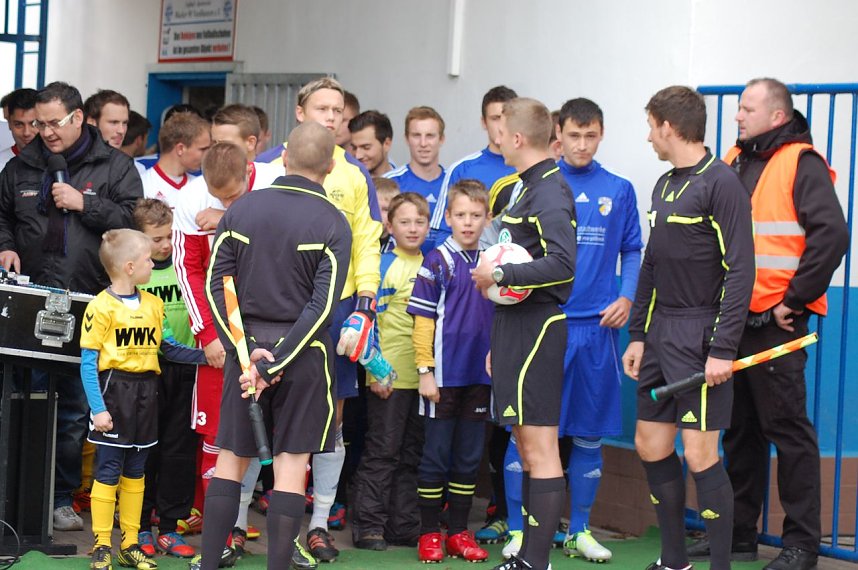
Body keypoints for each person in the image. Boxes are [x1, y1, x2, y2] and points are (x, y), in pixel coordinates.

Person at [687, 78, 850, 570]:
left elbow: (832, 235)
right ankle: (739, 535)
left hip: (776, 322)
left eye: (747, 108)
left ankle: (802, 545)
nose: (737, 115)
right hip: (735, 319)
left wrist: (793, 300)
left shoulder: (802, 163)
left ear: (777, 116)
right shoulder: (736, 159)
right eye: (738, 107)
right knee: (740, 431)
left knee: (787, 430)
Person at [192, 122, 351, 570]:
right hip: (303, 355)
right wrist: (276, 361)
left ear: (283, 159)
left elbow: (215, 285)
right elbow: (323, 306)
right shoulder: (334, 222)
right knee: (291, 466)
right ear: (331, 166)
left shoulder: (241, 210)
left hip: (246, 352)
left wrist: (246, 354)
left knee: (230, 460)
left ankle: (209, 563)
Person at [499, 98, 644, 562]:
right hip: (544, 326)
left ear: (601, 135)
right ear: (557, 135)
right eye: (574, 135)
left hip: (596, 329)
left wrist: (626, 296)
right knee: (524, 434)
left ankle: (578, 530)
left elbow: (633, 249)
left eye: (591, 135)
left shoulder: (618, 189)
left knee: (587, 432)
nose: (582, 145)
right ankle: (519, 531)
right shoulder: (532, 187)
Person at [621, 86, 756, 570]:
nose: (648, 137)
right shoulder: (663, 185)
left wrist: (722, 348)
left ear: (668, 127)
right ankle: (674, 560)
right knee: (650, 443)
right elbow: (652, 264)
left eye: (650, 127)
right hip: (660, 332)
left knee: (700, 454)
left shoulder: (722, 184)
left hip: (701, 334)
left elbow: (741, 271)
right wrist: (638, 334)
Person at [0, 81, 143, 531]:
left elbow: (133, 224)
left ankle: (60, 498)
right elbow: (2, 217)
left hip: (89, 304)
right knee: (21, 399)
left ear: (78, 117)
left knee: (74, 410)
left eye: (53, 123)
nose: (44, 132)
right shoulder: (20, 166)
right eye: (38, 123)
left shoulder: (116, 166)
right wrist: (5, 246)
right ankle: (13, 495)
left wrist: (87, 204)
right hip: (29, 302)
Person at [258, 77, 383, 562]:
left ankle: (318, 524)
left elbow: (368, 240)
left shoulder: (354, 173)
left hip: (338, 310)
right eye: (322, 109)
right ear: (300, 111)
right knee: (259, 414)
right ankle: (243, 521)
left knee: (332, 421)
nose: (331, 117)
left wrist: (366, 302)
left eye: (338, 111)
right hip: (276, 311)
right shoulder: (267, 167)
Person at [171, 105, 283, 566]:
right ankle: (220, 534)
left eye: (235, 196)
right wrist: (206, 334)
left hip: (272, 329)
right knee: (218, 435)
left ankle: (269, 531)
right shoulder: (189, 198)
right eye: (220, 198)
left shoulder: (275, 182)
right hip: (222, 334)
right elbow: (188, 269)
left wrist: (229, 220)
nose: (227, 202)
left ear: (249, 165)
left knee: (279, 436)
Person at [472, 97, 577, 570]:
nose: (496, 137)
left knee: (540, 446)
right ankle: (531, 559)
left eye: (500, 129)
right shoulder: (521, 187)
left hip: (538, 327)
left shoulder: (550, 191)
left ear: (516, 137)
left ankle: (537, 561)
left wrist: (499, 276)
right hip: (513, 327)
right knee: (525, 443)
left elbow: (563, 265)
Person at [81, 228, 206, 570]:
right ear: (130, 267)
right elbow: (88, 363)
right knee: (108, 470)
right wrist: (98, 409)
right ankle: (101, 545)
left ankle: (130, 544)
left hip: (147, 391)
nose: (154, 264)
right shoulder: (100, 306)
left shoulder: (154, 304)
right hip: (114, 392)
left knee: (137, 471)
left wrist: (209, 356)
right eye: (149, 259)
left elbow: (170, 349)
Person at [351, 192, 430, 551]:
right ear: (390, 226)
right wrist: (376, 373)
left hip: (423, 379)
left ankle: (403, 525)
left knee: (411, 455)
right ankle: (369, 526)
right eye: (405, 222)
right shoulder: (382, 266)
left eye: (419, 222)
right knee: (382, 452)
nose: (413, 229)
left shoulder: (432, 264)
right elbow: (368, 325)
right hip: (390, 378)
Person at [133, 199, 203, 558]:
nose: (164, 245)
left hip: (188, 371)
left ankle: (171, 526)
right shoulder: (136, 277)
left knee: (180, 450)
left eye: (169, 236)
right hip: (148, 371)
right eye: (156, 239)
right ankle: (140, 525)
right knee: (145, 450)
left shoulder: (184, 267)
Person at [430, 85, 517, 248]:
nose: (501, 126)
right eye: (495, 118)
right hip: (470, 262)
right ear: (484, 122)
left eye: (506, 118)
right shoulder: (461, 169)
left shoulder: (528, 168)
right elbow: (444, 232)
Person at [385, 106, 446, 226]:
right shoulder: (389, 182)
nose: (423, 143)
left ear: (441, 139)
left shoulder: (453, 181)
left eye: (430, 136)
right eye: (416, 135)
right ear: (407, 139)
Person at [142, 112, 211, 206]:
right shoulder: (141, 185)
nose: (208, 154)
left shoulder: (202, 187)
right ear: (180, 149)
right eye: (203, 149)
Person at [0, 88, 37, 171]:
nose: (26, 132)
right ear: (9, 123)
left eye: (34, 124)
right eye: (19, 124)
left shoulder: (62, 162)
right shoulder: (1, 165)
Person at [349, 110, 394, 177]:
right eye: (354, 148)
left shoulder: (404, 181)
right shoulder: (345, 181)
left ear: (387, 144)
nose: (358, 156)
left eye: (366, 147)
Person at [374, 177, 401, 252]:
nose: (378, 214)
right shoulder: (349, 241)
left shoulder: (400, 248)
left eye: (385, 209)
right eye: (373, 207)